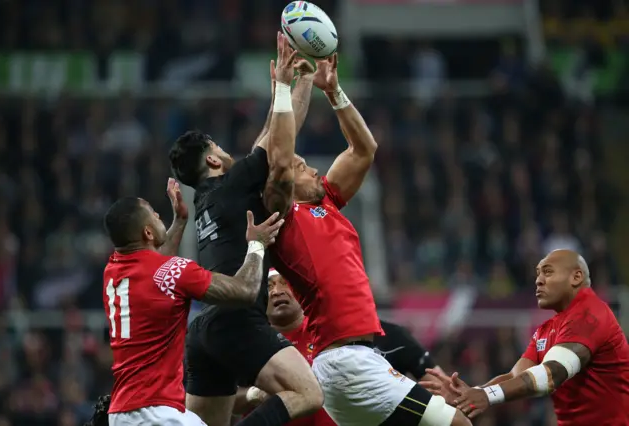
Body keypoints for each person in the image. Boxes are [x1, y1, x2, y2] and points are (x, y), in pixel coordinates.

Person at [269, 54, 470, 426]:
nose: (312, 168)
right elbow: (276, 157)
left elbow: (364, 149)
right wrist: (286, 88)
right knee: (458, 425)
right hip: (348, 362)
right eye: (301, 167)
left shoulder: (326, 201)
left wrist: (335, 93)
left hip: (357, 358)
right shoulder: (284, 216)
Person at [168, 33, 323, 426]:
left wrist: (296, 83)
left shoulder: (211, 198)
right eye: (218, 147)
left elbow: (270, 138)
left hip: (202, 330)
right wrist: (289, 85)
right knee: (308, 392)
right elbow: (280, 146)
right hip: (238, 320)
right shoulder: (233, 186)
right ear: (212, 159)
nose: (226, 151)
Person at [102, 178, 284, 426]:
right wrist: (256, 245)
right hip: (156, 412)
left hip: (122, 413)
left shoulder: (113, 270)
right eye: (155, 215)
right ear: (147, 232)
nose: (159, 216)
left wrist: (179, 221)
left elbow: (155, 269)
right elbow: (246, 290)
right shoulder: (175, 271)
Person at [424, 249, 629, 425]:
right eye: (538, 273)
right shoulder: (546, 329)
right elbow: (516, 376)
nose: (538, 280)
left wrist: (487, 395)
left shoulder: (590, 314)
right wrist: (470, 394)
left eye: (548, 272)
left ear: (576, 277)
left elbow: (551, 374)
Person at [234, 269, 450, 426]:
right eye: (269, 286)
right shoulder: (248, 344)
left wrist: (415, 395)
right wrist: (255, 394)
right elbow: (222, 400)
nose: (277, 291)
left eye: (285, 283)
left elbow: (439, 384)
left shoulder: (340, 335)